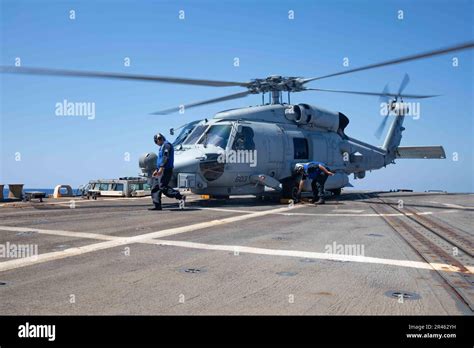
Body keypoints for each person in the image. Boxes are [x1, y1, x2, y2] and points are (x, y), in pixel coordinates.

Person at [149, 133, 185, 211]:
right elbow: (160, 159)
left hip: (166, 169)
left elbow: (166, 157)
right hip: (160, 169)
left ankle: (179, 196)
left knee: (162, 187)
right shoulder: (162, 147)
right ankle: (157, 206)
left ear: (159, 139)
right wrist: (157, 169)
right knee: (155, 187)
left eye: (156, 142)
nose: (156, 144)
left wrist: (161, 168)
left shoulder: (167, 145)